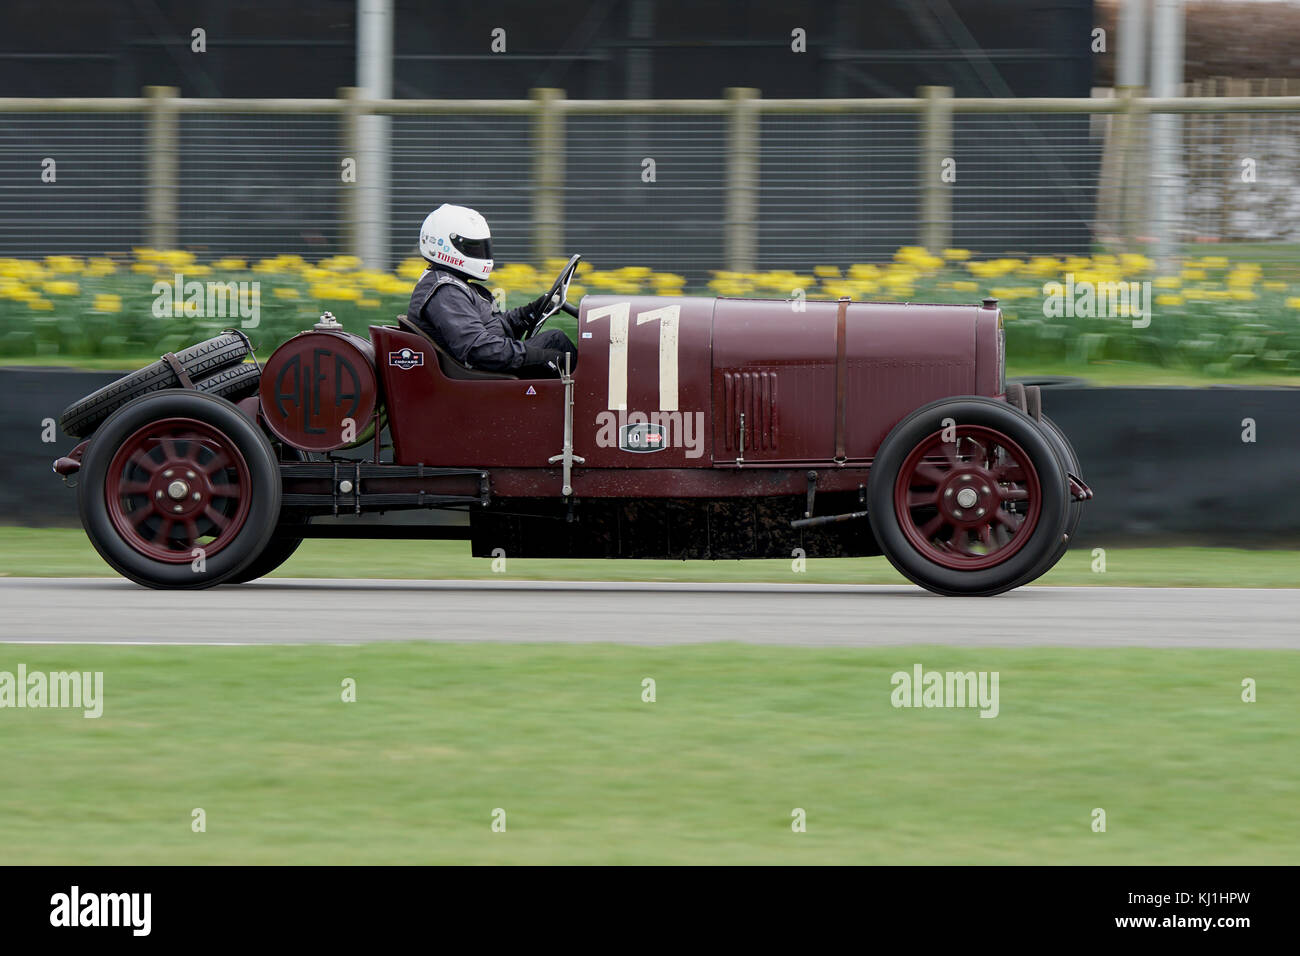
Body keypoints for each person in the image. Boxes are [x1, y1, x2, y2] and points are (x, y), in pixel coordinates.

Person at [407, 204, 577, 377]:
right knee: (566, 358)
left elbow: (495, 326)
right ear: (443, 245)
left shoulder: (458, 285)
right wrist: (541, 357)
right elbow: (479, 350)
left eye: (483, 247)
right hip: (479, 378)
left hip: (487, 368)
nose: (481, 253)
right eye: (473, 247)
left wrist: (531, 312)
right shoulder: (446, 293)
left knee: (556, 339)